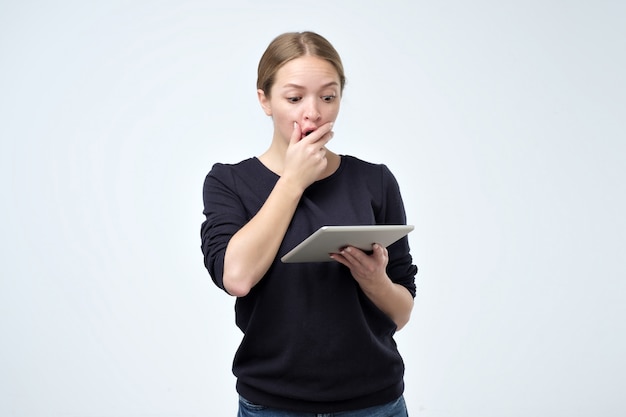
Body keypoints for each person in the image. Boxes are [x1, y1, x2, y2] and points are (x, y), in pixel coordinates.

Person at [200, 31, 418, 416]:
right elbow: (236, 278)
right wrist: (293, 181)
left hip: (375, 402)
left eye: (328, 97)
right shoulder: (228, 182)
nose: (313, 113)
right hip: (273, 404)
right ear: (264, 100)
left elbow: (401, 313)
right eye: (294, 97)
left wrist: (374, 281)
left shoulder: (375, 180)